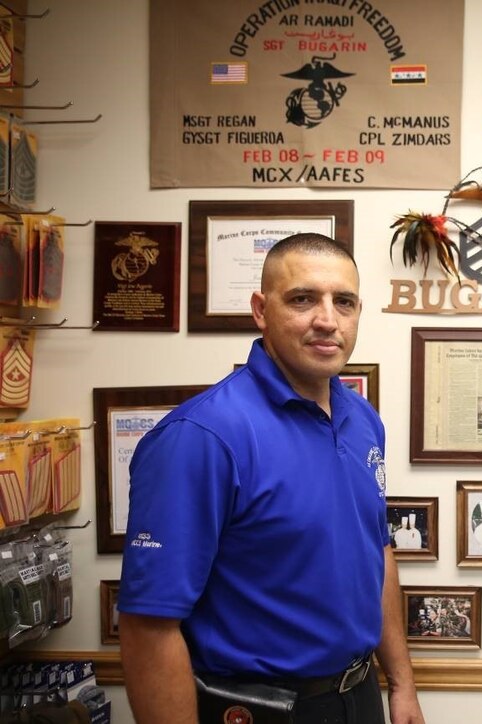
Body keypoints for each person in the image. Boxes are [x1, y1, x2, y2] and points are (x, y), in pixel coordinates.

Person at [117, 233, 425, 724]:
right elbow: (147, 625)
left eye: (343, 302)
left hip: (359, 694)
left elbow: (377, 550)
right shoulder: (202, 437)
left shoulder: (362, 419)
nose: (327, 319)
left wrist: (402, 683)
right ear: (261, 310)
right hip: (262, 708)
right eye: (303, 299)